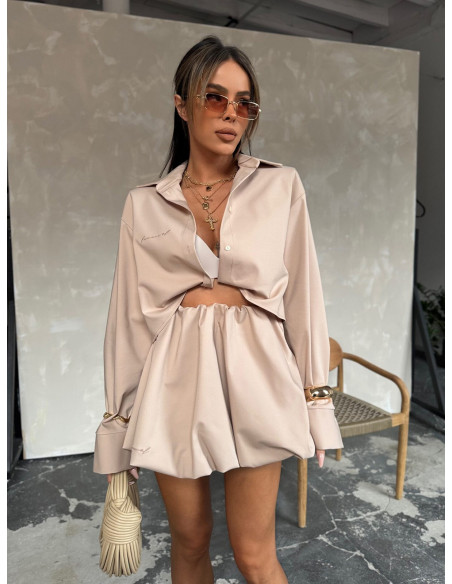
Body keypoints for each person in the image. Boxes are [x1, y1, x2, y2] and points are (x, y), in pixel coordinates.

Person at [93, 35, 343, 584]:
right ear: (182, 105)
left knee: (254, 553)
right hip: (175, 380)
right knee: (189, 542)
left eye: (244, 103)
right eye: (214, 97)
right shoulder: (143, 203)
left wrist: (316, 402)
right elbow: (128, 321)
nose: (232, 113)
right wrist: (118, 424)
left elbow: (303, 296)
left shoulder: (281, 185)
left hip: (259, 373)